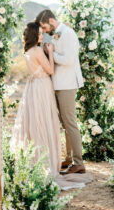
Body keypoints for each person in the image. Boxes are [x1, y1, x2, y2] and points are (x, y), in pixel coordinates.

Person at [10, 21, 91, 190]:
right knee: (45, 122)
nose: (42, 35)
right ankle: (51, 160)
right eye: (39, 33)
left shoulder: (28, 51)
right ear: (34, 35)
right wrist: (52, 52)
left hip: (32, 88)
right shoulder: (39, 50)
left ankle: (36, 159)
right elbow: (51, 70)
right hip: (43, 87)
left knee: (35, 123)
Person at [36, 9, 85, 174]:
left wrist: (50, 54)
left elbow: (69, 60)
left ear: (51, 20)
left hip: (67, 84)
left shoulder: (68, 33)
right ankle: (70, 158)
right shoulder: (57, 34)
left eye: (44, 26)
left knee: (70, 122)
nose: (44, 30)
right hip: (58, 84)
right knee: (65, 123)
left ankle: (79, 162)